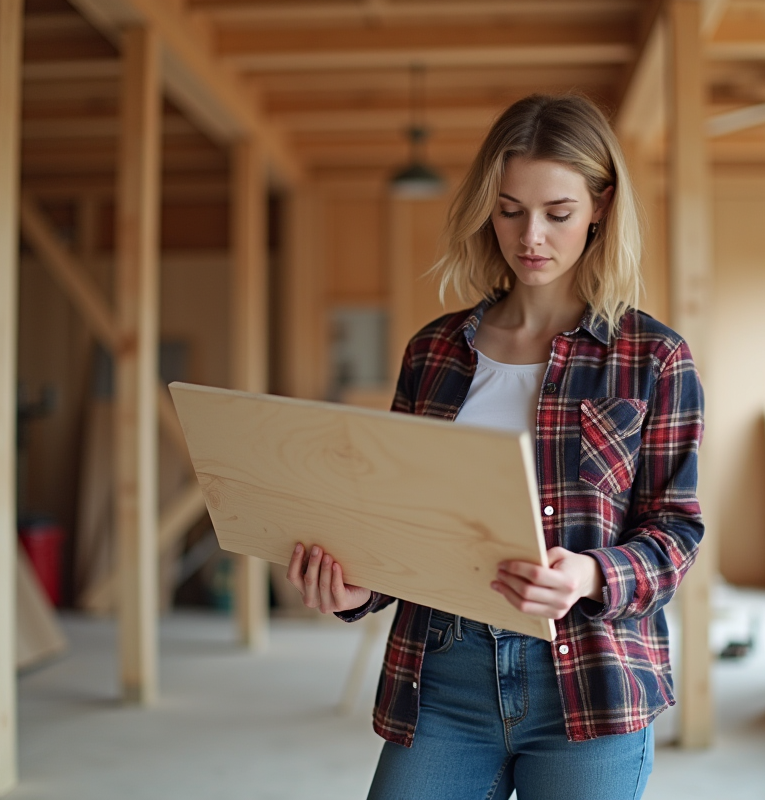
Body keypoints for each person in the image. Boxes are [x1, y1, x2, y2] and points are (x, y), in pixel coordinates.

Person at [286, 93, 705, 800]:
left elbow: (677, 530)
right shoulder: (435, 352)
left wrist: (589, 575)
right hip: (443, 673)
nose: (530, 235)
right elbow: (399, 519)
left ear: (600, 206)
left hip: (589, 683)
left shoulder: (653, 357)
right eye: (509, 210)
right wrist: (356, 587)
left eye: (557, 213)